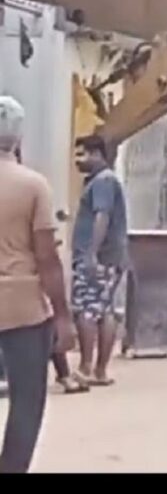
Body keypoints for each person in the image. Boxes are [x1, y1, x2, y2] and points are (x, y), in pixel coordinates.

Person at [0, 96, 76, 473]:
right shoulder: (33, 186)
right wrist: (62, 317)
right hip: (23, 309)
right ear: (17, 139)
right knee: (26, 402)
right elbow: (47, 257)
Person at [71, 134, 129, 387]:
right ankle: (100, 371)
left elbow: (101, 216)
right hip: (111, 257)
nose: (77, 161)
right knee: (105, 311)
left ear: (96, 154)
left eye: (81, 154)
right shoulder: (105, 181)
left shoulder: (102, 182)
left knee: (86, 310)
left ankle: (85, 367)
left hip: (99, 258)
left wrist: (91, 253)